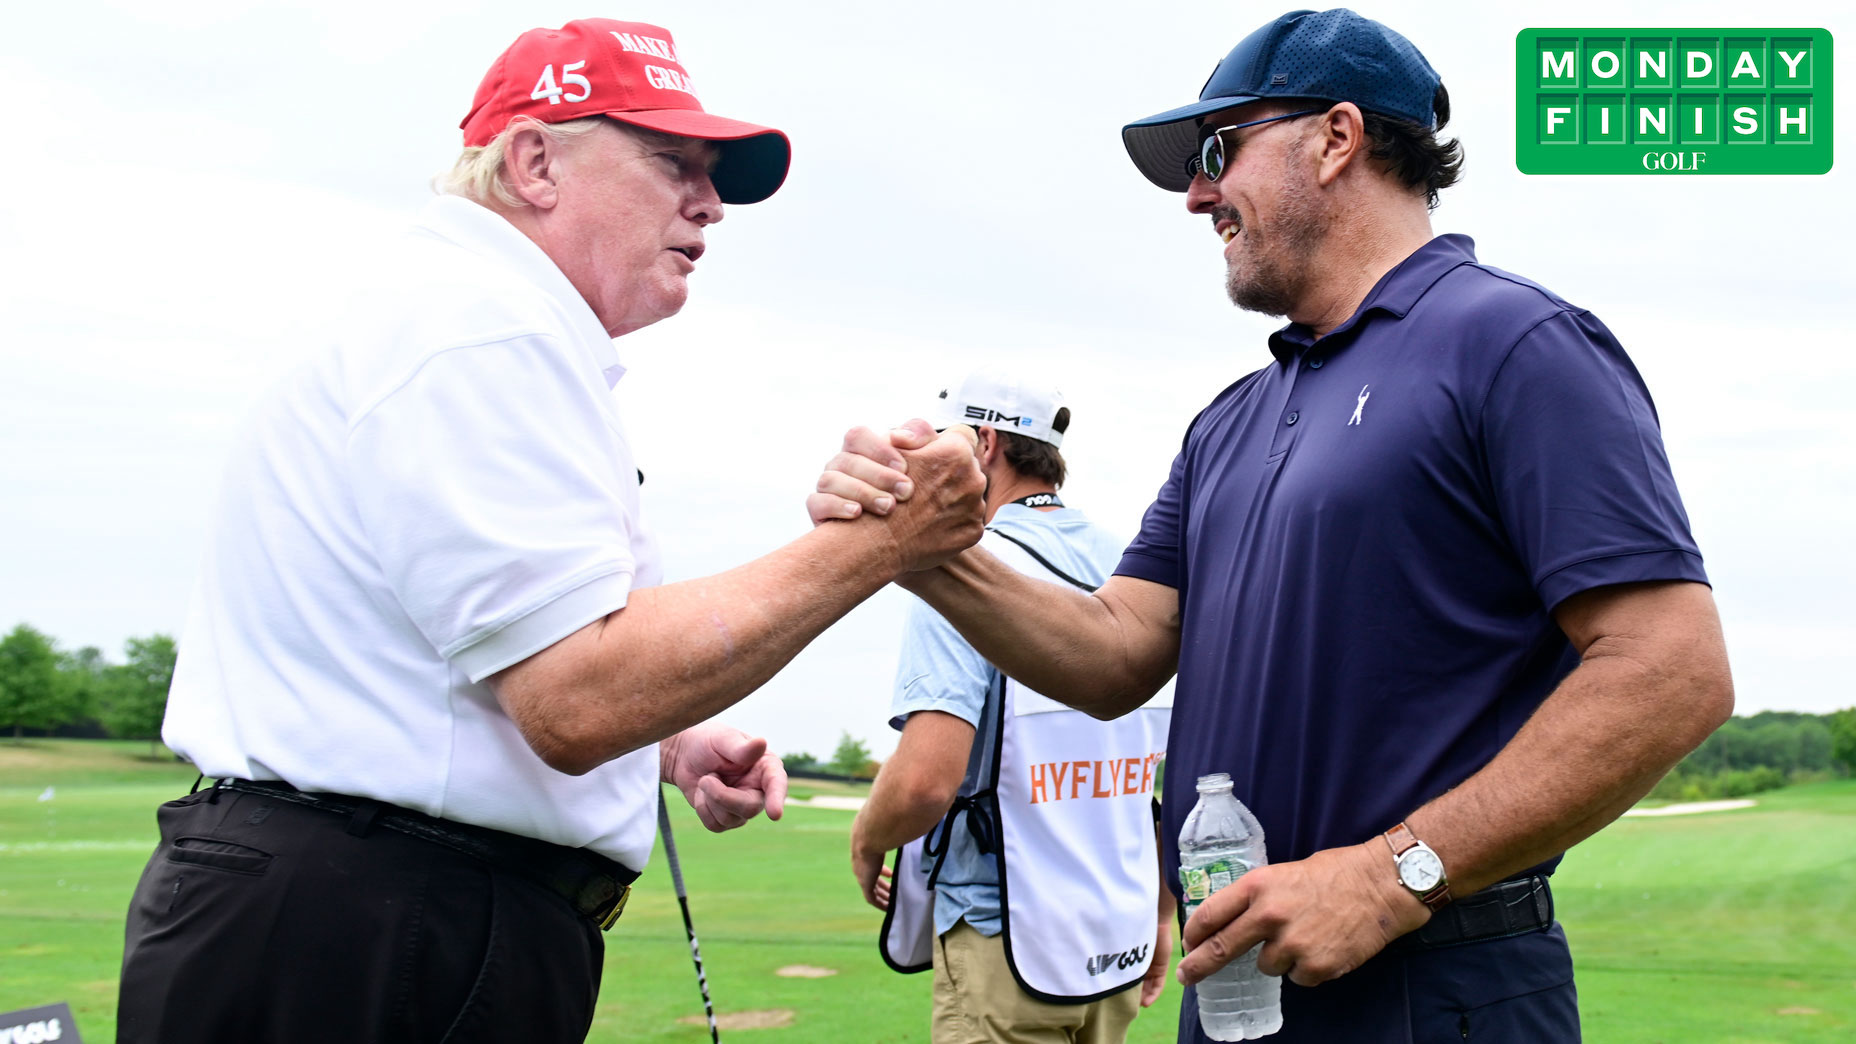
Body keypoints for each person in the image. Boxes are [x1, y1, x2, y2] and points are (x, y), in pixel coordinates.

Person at [810, 9, 1734, 1042]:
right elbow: (1112, 652)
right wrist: (923, 549)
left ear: (1335, 139)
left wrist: (1393, 876)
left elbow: (1669, 671)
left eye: (1217, 152)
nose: (1197, 195)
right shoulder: (1230, 418)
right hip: (1239, 989)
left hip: (1436, 982)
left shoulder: (1515, 344)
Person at [116, 18, 984, 1044]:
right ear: (534, 162)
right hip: (376, 924)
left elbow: (466, 655)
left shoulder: (463, 319)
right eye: (673, 163)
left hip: (356, 915)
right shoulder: (482, 328)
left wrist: (669, 742)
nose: (707, 203)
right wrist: (882, 541)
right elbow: (573, 697)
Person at [853, 368, 1174, 1044]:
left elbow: (923, 782)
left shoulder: (963, 564)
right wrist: (1163, 914)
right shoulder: (1136, 569)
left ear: (985, 444)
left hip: (1005, 938)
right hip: (1118, 939)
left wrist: (868, 838)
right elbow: (1164, 777)